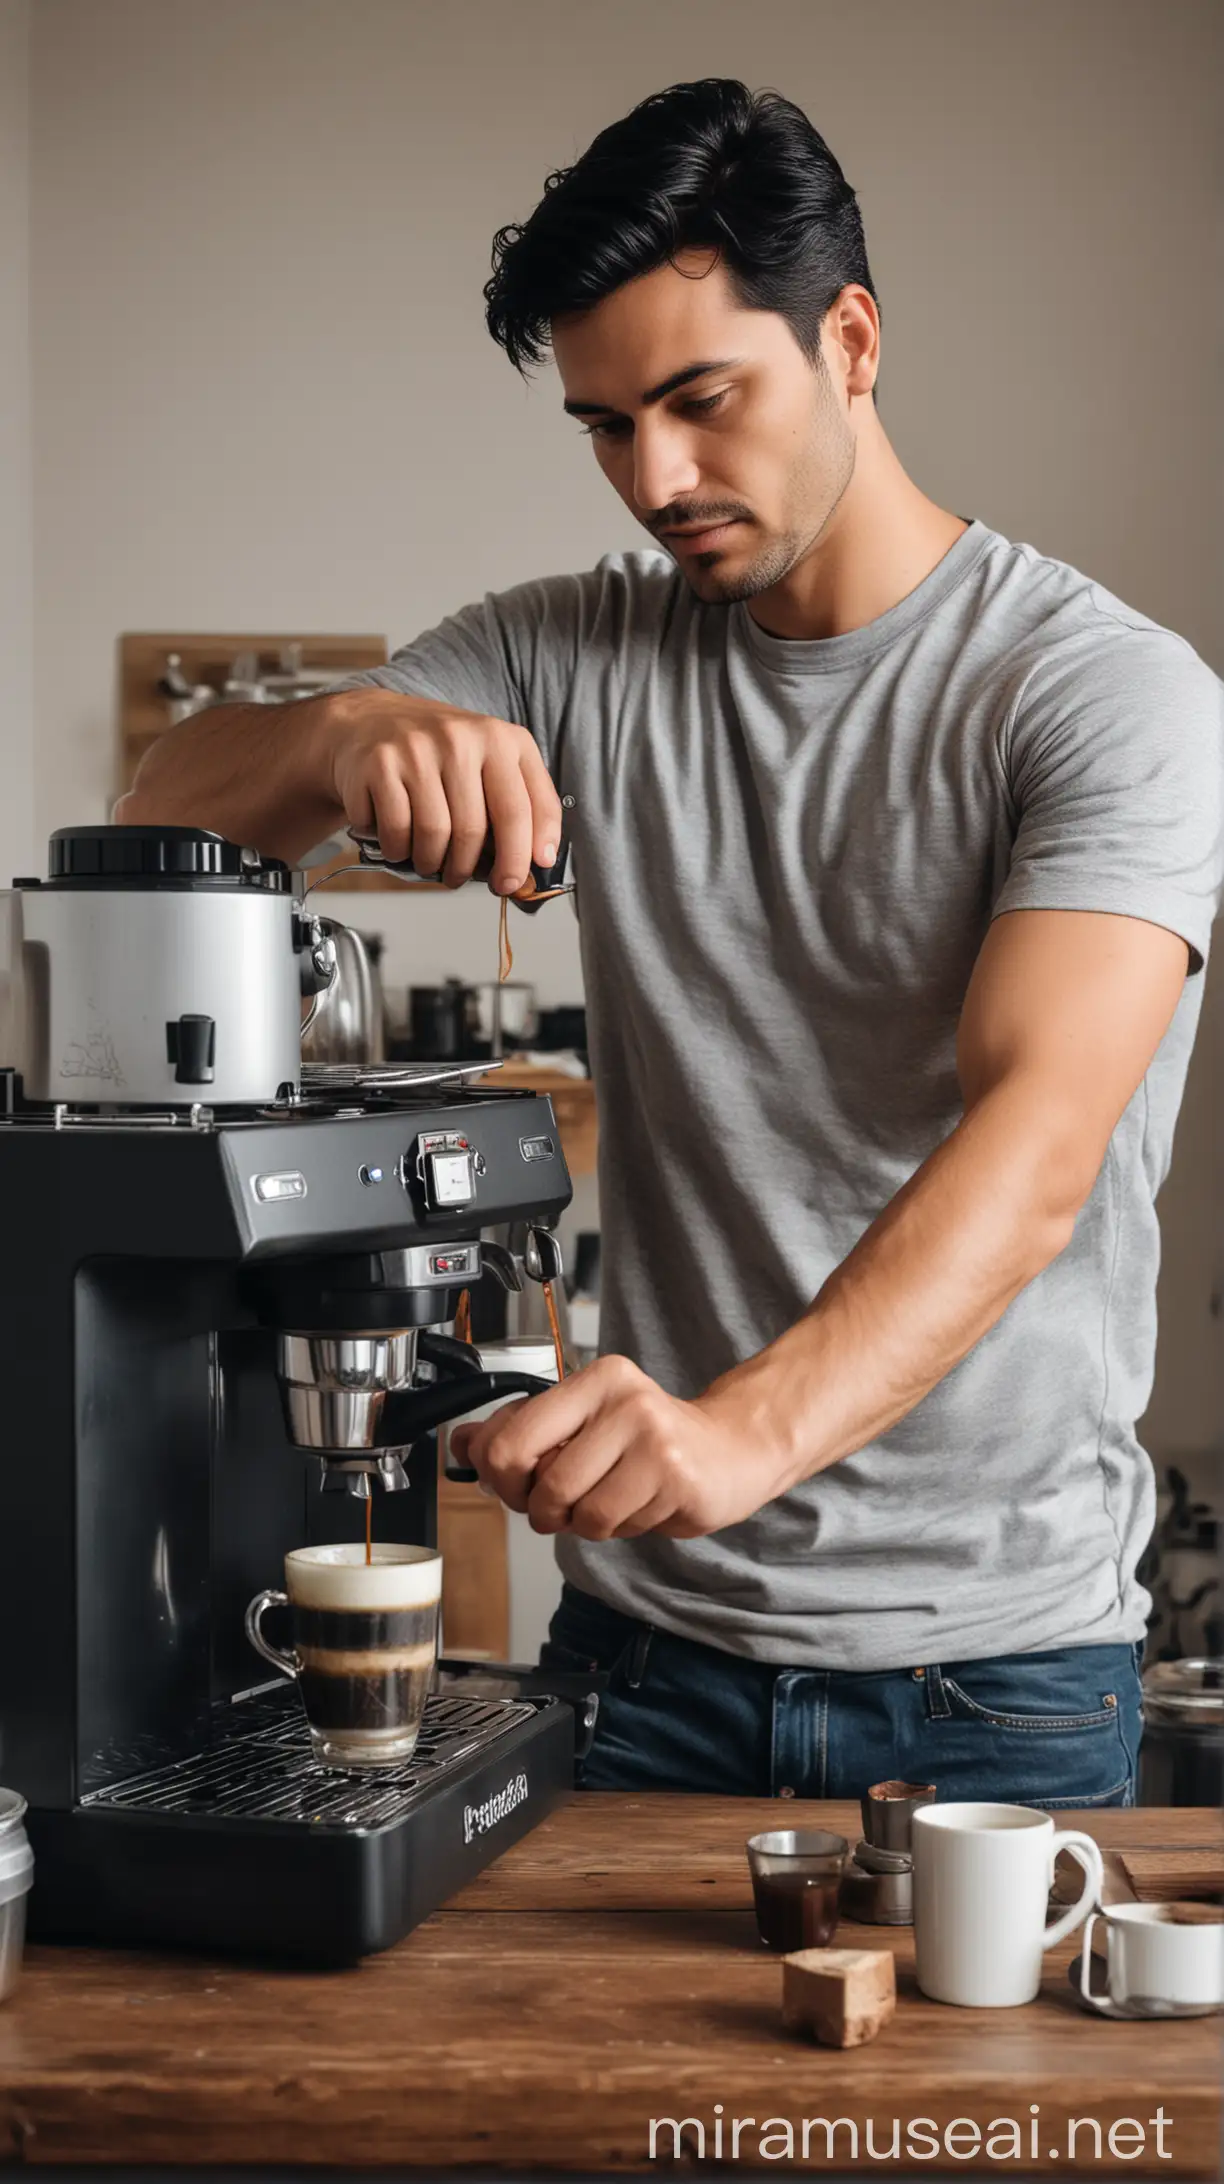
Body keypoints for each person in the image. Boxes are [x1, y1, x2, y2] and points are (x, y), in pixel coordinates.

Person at [121, 79, 1223, 1804]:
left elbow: (1040, 1143)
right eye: (605, 425)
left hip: (995, 1672)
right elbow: (155, 823)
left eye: (705, 403)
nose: (659, 477)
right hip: (639, 1659)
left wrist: (739, 1438)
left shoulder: (1102, 695)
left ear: (849, 339)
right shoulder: (570, 654)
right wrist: (342, 739)